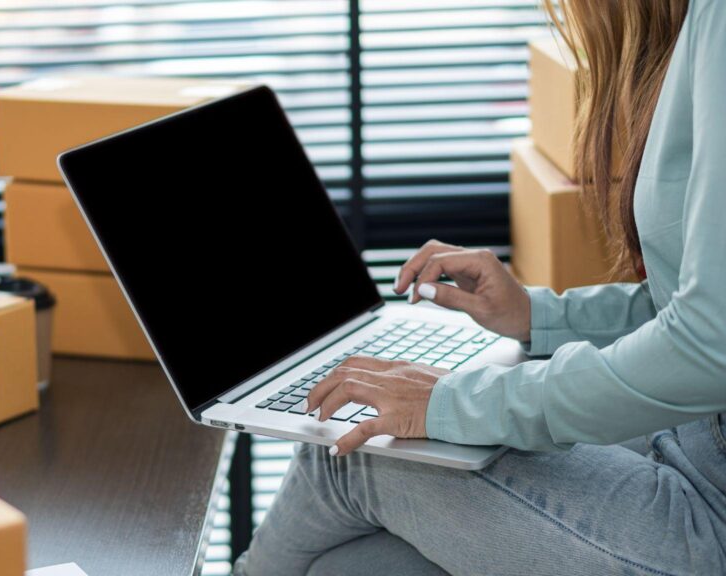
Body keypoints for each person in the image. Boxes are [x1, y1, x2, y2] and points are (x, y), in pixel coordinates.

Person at [234, 0, 726, 574]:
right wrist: (538, 317)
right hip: (689, 448)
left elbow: (705, 348)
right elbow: (699, 307)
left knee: (351, 454)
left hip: (707, 517)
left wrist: (453, 403)